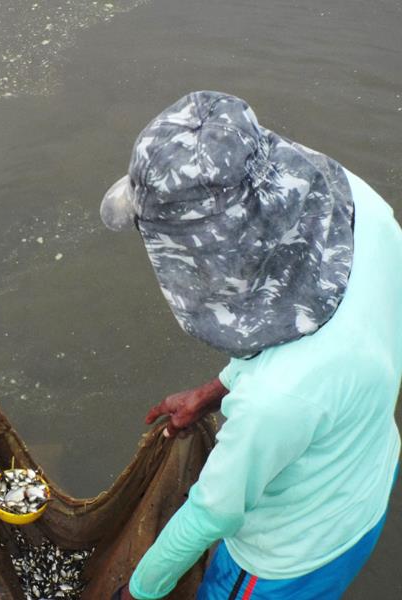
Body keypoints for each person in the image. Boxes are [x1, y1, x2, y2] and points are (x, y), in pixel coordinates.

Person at [100, 91, 401, 599]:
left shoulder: (275, 399)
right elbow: (316, 357)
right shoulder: (362, 207)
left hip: (286, 561)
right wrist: (216, 388)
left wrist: (140, 590)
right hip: (367, 479)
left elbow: (212, 511)